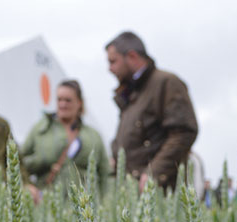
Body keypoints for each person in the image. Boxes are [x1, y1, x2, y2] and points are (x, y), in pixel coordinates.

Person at [106, 31, 198, 191]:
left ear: (132, 56)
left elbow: (183, 132)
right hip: (132, 191)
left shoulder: (166, 83)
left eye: (113, 61)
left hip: (161, 193)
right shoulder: (131, 93)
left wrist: (154, 173)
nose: (110, 69)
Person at [21, 80, 110, 198]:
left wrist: (104, 202)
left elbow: (104, 173)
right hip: (47, 200)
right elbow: (19, 162)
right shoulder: (40, 129)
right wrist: (28, 185)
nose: (63, 104)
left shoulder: (93, 136)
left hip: (83, 202)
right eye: (59, 100)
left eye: (68, 100)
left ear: (79, 103)